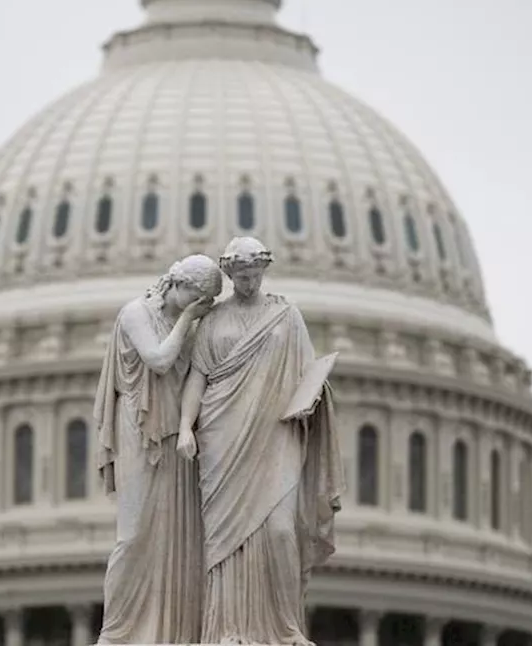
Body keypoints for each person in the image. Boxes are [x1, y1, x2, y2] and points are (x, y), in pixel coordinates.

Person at [177, 237, 345, 645]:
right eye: (241, 277)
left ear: (264, 271)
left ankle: (285, 628)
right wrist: (185, 427)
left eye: (255, 276)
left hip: (277, 434)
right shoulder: (213, 320)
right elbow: (197, 377)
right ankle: (227, 630)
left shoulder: (286, 317)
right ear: (230, 274)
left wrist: (311, 400)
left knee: (280, 532)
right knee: (224, 542)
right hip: (222, 437)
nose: (249, 283)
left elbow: (309, 374)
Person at [94, 254, 223, 644]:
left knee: (178, 538)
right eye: (200, 299)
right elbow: (160, 360)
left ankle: (175, 633)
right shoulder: (136, 313)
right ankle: (119, 633)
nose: (202, 309)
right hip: (139, 429)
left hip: (178, 439)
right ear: (179, 286)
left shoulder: (193, 324)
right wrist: (190, 319)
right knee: (133, 536)